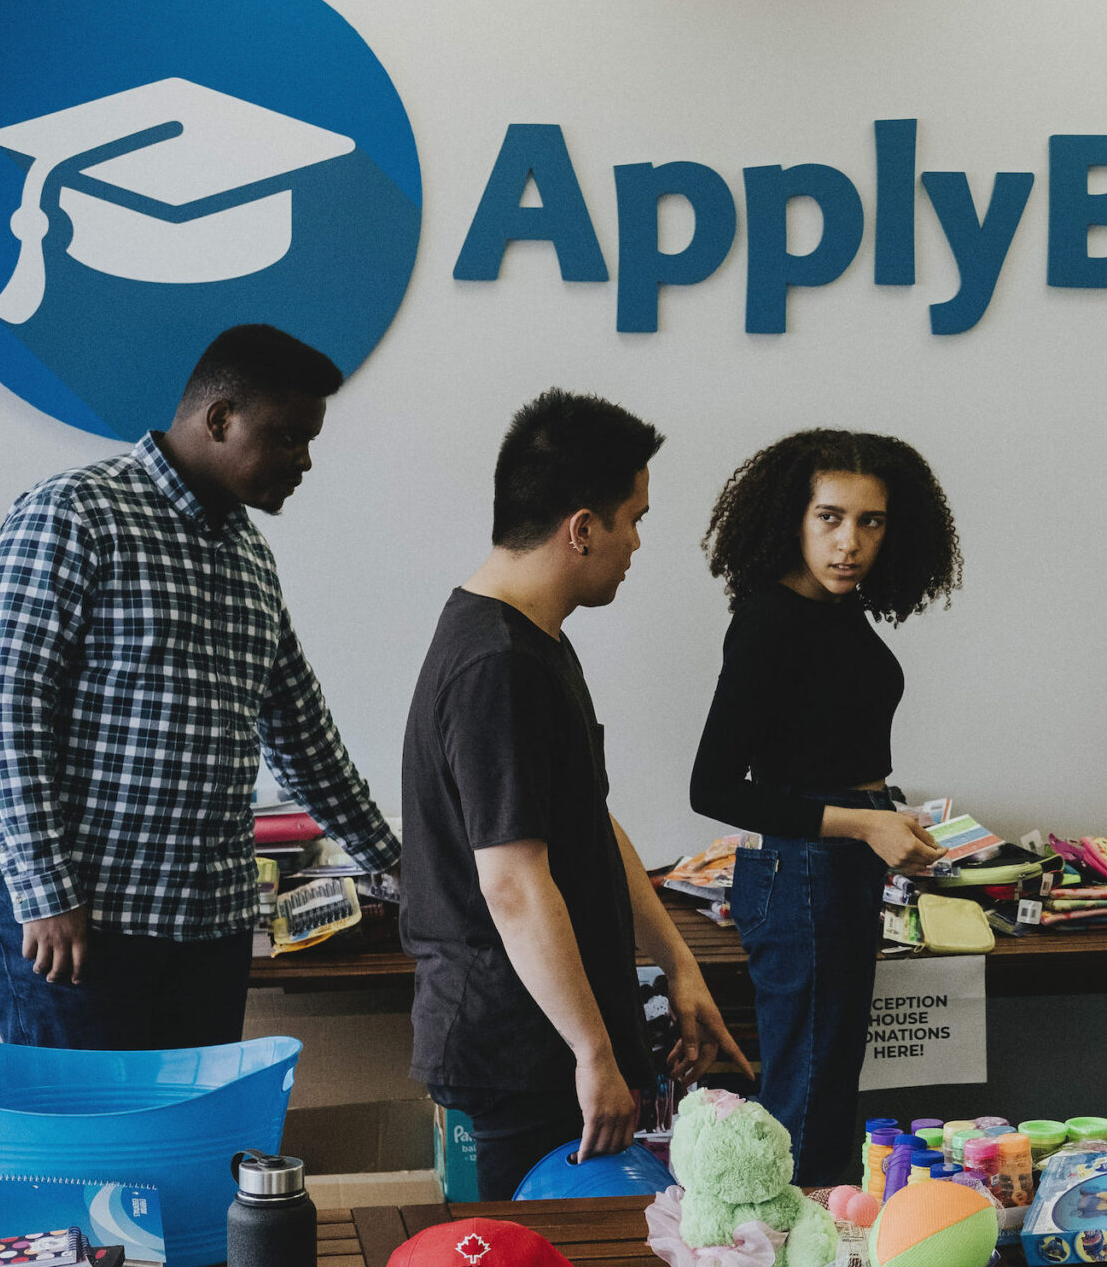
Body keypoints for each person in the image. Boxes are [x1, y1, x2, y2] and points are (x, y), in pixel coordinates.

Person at [0, 324, 402, 1267]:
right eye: (289, 437)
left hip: (197, 926)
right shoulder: (76, 512)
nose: (303, 460)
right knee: (66, 1190)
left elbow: (302, 733)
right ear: (216, 419)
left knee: (178, 1188)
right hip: (71, 929)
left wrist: (398, 866)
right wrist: (45, 890)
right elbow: (4, 707)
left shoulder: (248, 558)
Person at [402, 390, 747, 1205]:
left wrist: (678, 961)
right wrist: (593, 1052)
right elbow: (514, 885)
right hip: (516, 1055)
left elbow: (587, 819)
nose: (636, 544)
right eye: (634, 518)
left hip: (553, 1042)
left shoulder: (533, 640)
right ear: (582, 527)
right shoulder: (498, 664)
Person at [691, 430, 960, 1188]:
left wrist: (884, 815)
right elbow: (713, 787)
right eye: (830, 518)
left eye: (870, 522)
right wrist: (865, 821)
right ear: (792, 518)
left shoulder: (837, 609)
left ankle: (802, 1262)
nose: (850, 543)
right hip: (806, 868)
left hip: (837, 865)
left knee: (824, 1082)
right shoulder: (769, 621)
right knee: (807, 1099)